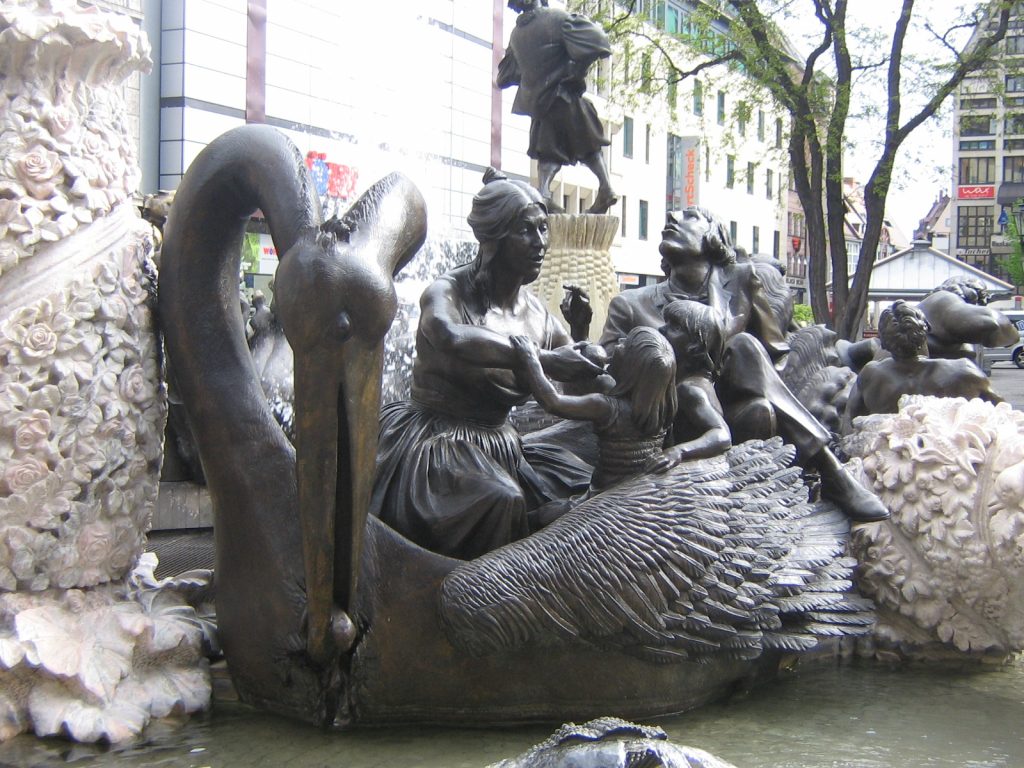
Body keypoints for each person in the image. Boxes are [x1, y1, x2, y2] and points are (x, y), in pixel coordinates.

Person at [598, 206, 889, 523]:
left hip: (729, 414)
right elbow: (610, 371)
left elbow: (776, 350)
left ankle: (771, 496)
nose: (672, 217)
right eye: (673, 215)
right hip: (671, 417)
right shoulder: (630, 305)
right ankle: (829, 469)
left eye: (690, 216)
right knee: (743, 345)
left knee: (756, 390)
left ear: (714, 236)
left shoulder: (741, 280)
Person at [370, 169, 605, 560]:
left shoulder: (539, 316)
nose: (540, 242)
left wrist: (581, 336)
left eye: (543, 229)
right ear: (494, 238)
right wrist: (539, 357)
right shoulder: (448, 291)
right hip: (434, 446)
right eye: (526, 231)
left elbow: (577, 384)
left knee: (585, 485)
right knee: (501, 499)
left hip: (502, 446)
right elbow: (449, 335)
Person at [511, 326, 678, 492]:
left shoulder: (606, 407)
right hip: (640, 488)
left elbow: (553, 402)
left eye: (626, 344)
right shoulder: (664, 410)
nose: (619, 342)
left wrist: (531, 358)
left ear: (631, 367)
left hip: (604, 492)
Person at [497, 0, 618, 214]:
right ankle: (605, 186)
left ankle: (545, 192)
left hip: (541, 105)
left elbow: (504, 77)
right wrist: (577, 71)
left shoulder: (516, 35)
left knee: (548, 152)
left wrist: (531, 72)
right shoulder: (555, 18)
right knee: (587, 145)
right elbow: (598, 40)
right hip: (564, 97)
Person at [844, 301, 1004, 423]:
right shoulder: (964, 371)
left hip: (884, 454)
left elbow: (851, 420)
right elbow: (1004, 413)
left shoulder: (870, 375)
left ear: (883, 343)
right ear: (926, 331)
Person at [650, 300, 732, 472]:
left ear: (695, 345)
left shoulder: (689, 390)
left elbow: (721, 434)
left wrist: (678, 452)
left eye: (675, 327)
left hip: (693, 471)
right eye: (666, 323)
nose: (662, 329)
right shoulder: (688, 382)